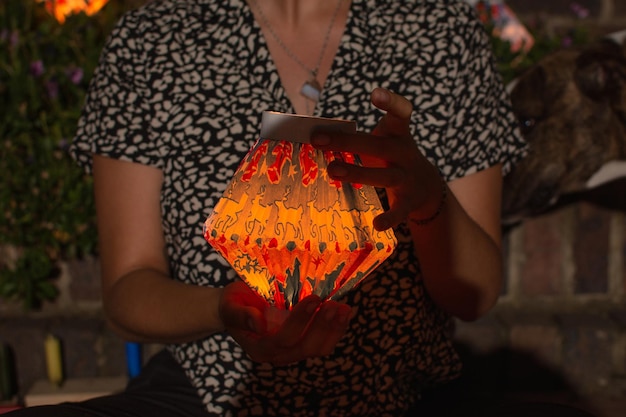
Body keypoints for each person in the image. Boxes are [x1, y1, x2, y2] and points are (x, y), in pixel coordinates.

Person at [10, 0, 530, 416]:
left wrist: (429, 198)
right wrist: (225, 310)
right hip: (211, 392)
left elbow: (475, 294)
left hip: (404, 391)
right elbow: (128, 289)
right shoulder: (154, 40)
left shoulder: (438, 31)